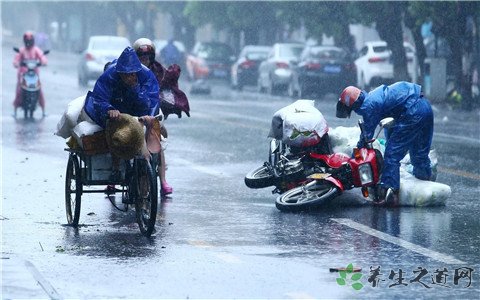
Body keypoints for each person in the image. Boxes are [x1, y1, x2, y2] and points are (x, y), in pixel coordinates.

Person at [336, 81, 434, 206]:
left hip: (412, 112)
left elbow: (367, 136)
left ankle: (390, 191)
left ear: (352, 105)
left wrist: (351, 159)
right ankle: (425, 183)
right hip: (424, 107)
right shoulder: (373, 97)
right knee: (419, 153)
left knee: (391, 155)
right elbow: (391, 122)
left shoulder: (368, 106)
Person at [133, 37, 190, 196]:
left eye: (147, 56)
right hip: (132, 110)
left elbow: (165, 88)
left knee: (158, 142)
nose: (144, 59)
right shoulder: (129, 69)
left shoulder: (158, 70)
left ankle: (163, 180)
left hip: (152, 110)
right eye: (141, 56)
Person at [13, 31, 48, 117]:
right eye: (27, 41)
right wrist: (16, 63)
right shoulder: (21, 50)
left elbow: (42, 57)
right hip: (23, 74)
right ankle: (15, 110)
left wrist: (43, 62)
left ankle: (43, 110)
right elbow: (16, 59)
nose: (28, 42)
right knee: (18, 90)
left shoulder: (36, 50)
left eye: (30, 40)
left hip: (34, 74)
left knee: (40, 91)